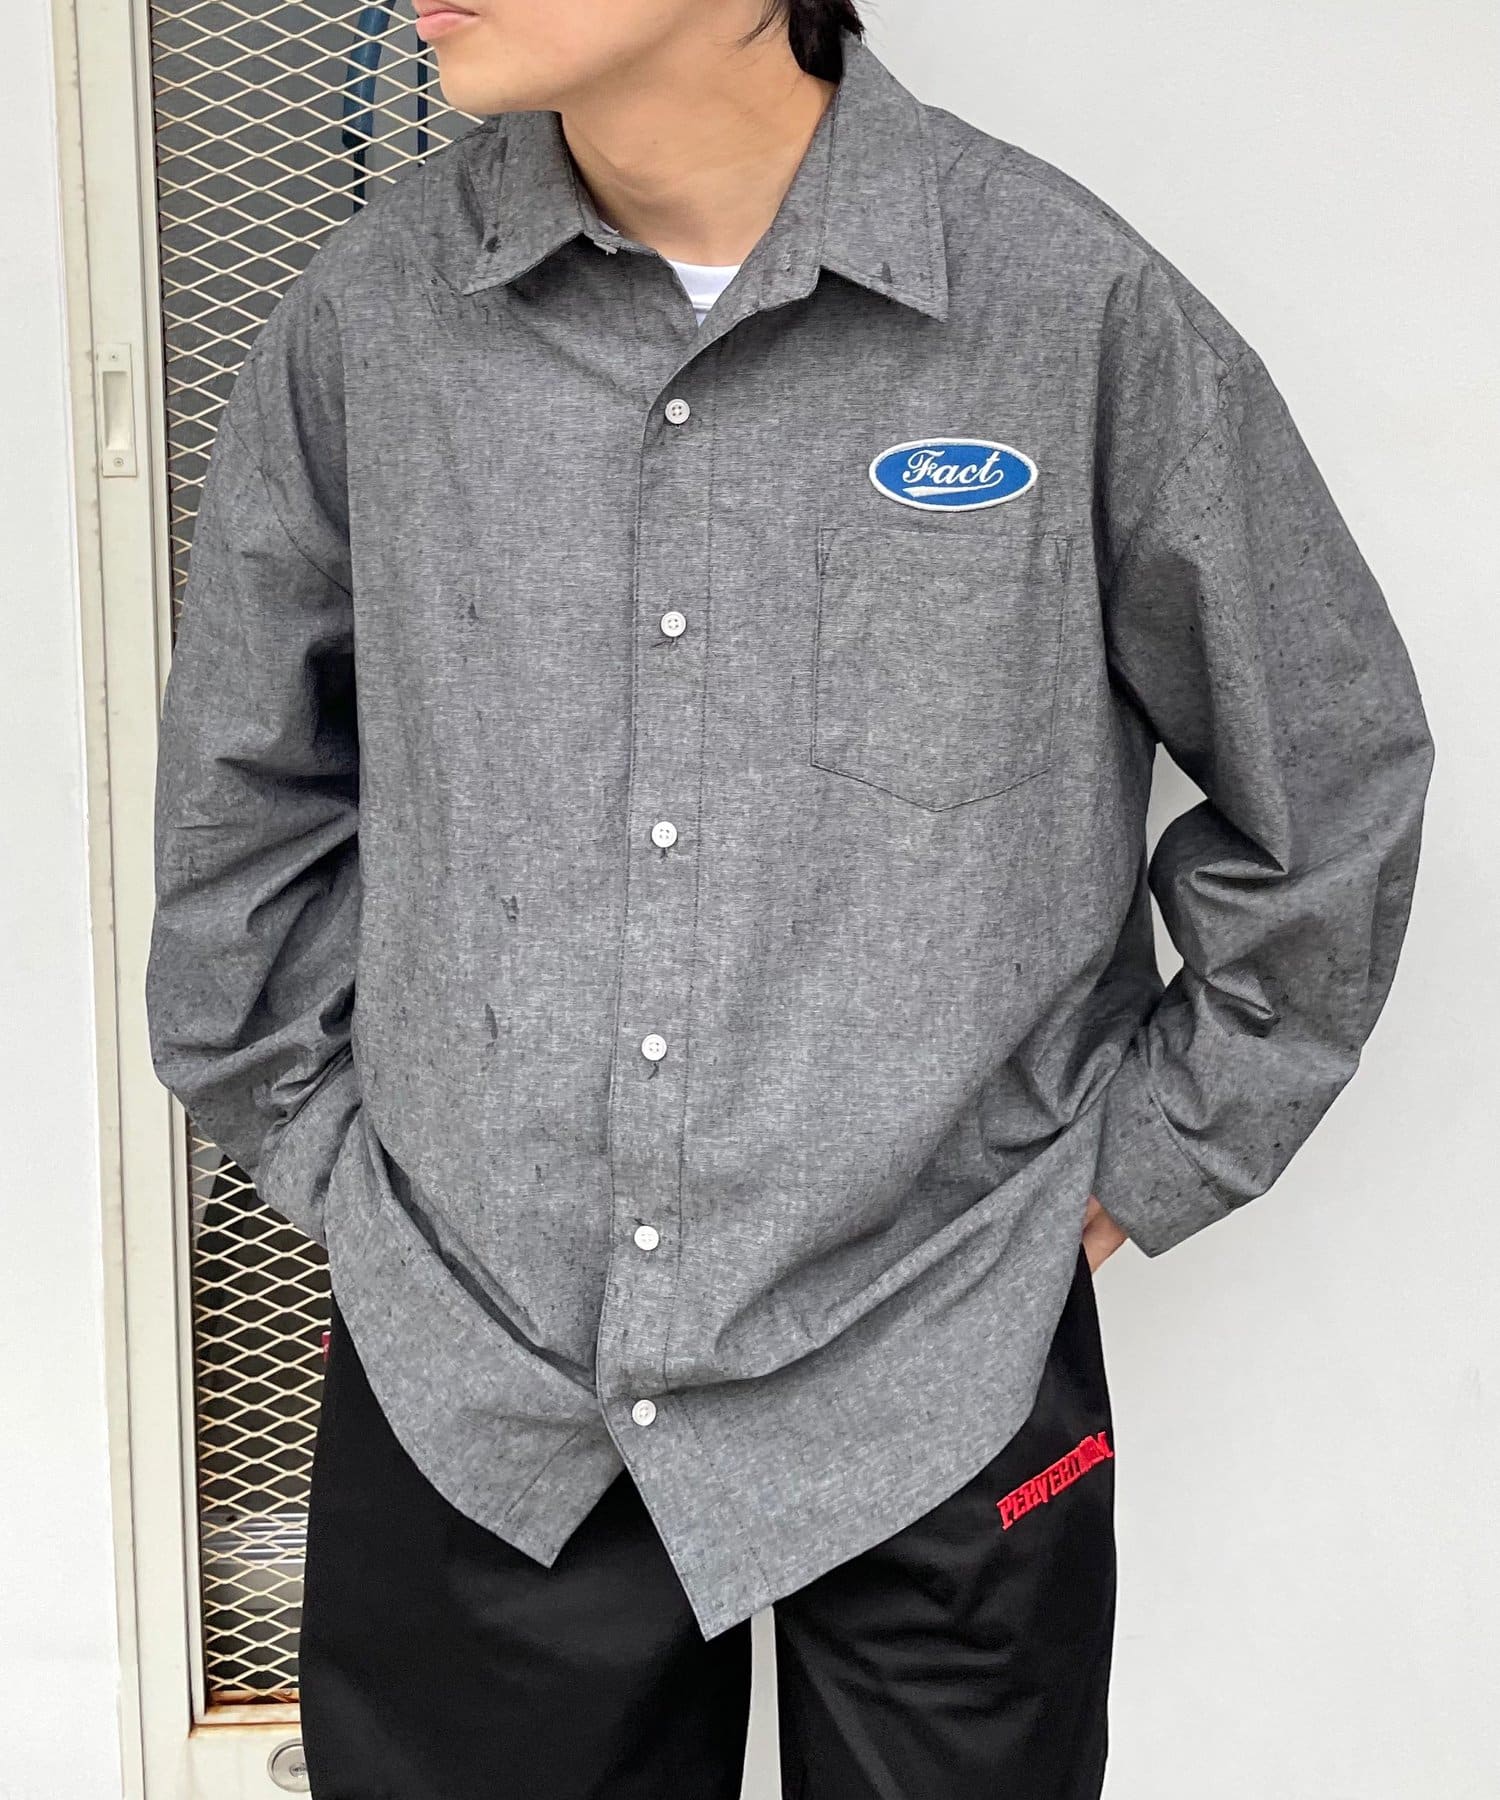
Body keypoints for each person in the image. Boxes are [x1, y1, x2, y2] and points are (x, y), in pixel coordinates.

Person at [143, 1, 1435, 1794]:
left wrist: (1154, 1157)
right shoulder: (372, 320)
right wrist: (324, 1151)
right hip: (478, 1364)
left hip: (937, 1351)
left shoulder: (1067, 307)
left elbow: (1330, 773)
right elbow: (247, 788)